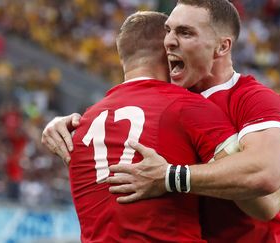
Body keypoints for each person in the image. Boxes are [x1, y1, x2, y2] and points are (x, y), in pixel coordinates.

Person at [42, 1, 280, 242]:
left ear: (222, 46)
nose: (168, 41)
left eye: (185, 32)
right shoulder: (171, 101)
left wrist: (170, 176)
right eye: (168, 31)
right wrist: (64, 125)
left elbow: (265, 186)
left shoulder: (252, 98)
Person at [64, 11, 240, 242]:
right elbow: (247, 177)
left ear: (123, 57)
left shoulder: (80, 125)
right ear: (169, 51)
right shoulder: (187, 106)